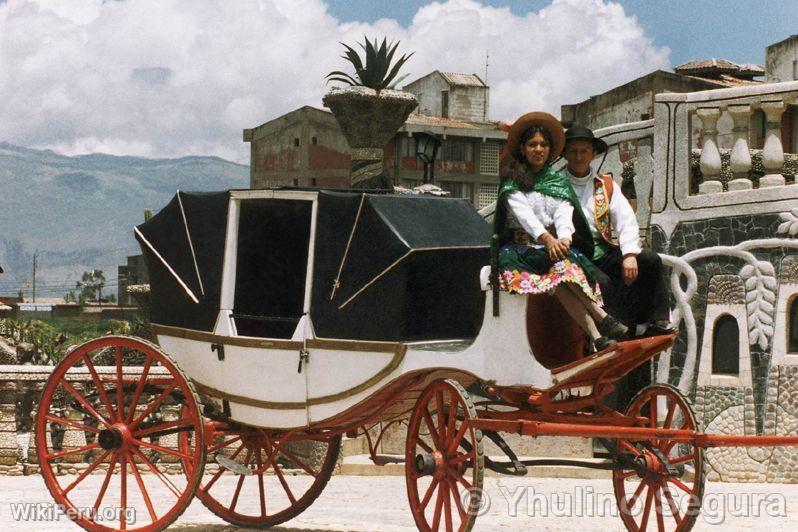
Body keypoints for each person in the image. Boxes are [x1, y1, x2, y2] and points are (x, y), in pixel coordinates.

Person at [494, 112, 627, 352]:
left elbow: (563, 212)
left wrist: (564, 238)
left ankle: (597, 337)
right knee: (562, 270)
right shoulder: (512, 181)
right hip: (519, 253)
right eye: (532, 144)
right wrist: (547, 239)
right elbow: (525, 215)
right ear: (523, 149)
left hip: (551, 252)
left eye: (543, 145)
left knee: (562, 276)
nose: (538, 149)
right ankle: (601, 317)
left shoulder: (557, 181)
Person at [562, 126, 673, 337]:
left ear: (593, 154)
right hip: (573, 255)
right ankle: (619, 333)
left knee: (649, 260)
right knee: (602, 283)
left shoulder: (605, 185)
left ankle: (655, 322)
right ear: (565, 154)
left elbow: (626, 220)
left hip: (602, 250)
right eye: (573, 151)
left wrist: (629, 255)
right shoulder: (556, 186)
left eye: (584, 151)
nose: (578, 156)